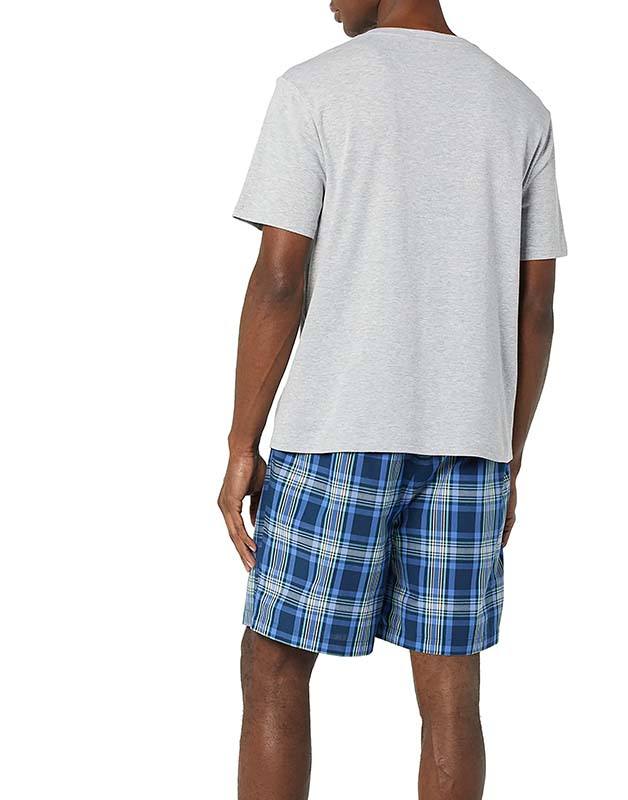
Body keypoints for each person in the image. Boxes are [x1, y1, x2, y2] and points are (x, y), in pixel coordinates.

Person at [218, 1, 566, 797]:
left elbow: (279, 279)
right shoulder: (519, 105)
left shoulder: (315, 88)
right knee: (451, 695)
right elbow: (538, 307)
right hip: (471, 446)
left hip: (335, 431)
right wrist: (509, 459)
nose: (327, 0)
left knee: (274, 664)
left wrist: (241, 444)